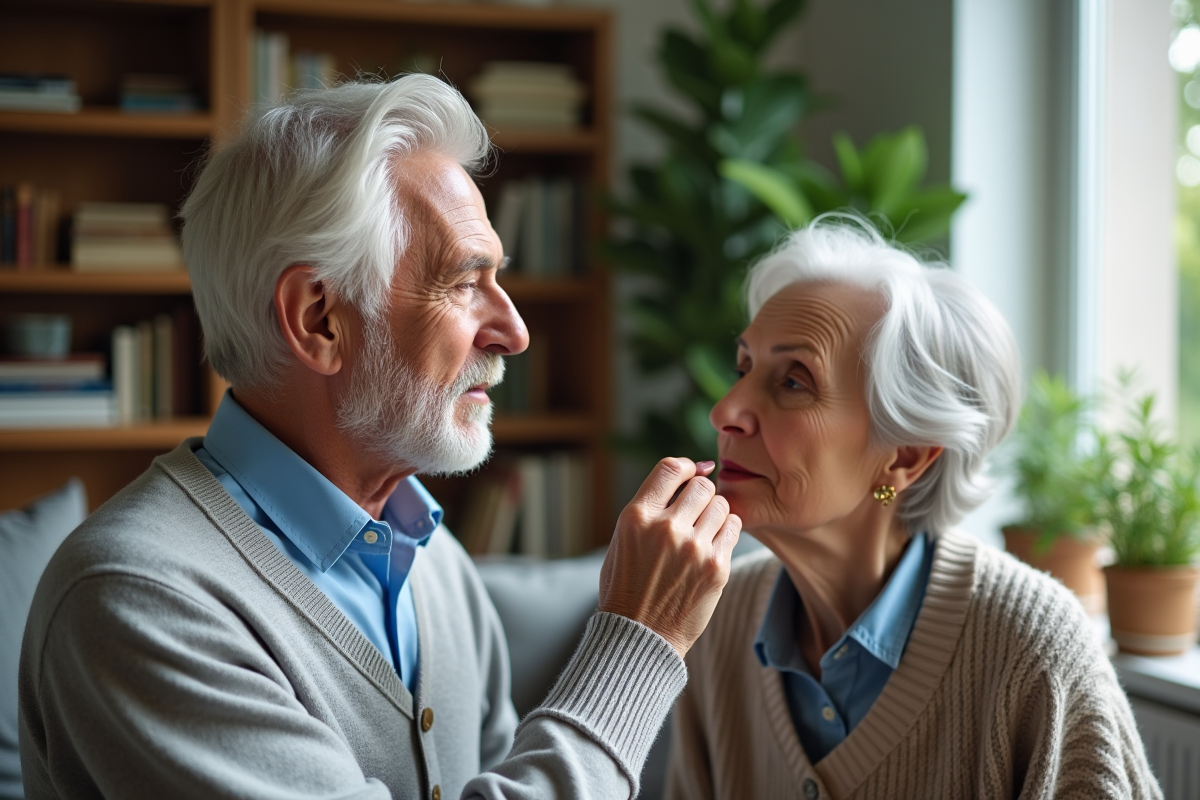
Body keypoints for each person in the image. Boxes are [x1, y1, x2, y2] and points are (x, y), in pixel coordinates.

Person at [18, 76, 742, 800]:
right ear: (319, 320)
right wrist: (635, 648)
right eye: (464, 283)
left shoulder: (434, 561)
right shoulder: (137, 601)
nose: (516, 332)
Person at [666, 218, 1161, 799]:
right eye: (744, 368)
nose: (725, 410)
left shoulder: (1035, 650)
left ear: (904, 455)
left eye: (794, 382)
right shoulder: (714, 619)